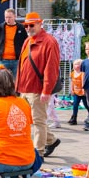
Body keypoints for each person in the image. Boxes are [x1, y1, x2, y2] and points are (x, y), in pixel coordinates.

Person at [16, 12, 61, 158]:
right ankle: (51, 140)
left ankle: (38, 153)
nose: (28, 28)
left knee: (38, 122)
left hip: (37, 89)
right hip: (25, 88)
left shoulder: (49, 41)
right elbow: (21, 66)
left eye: (32, 25)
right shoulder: (27, 41)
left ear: (40, 24)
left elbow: (51, 68)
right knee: (30, 120)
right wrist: (18, 87)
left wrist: (46, 90)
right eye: (26, 25)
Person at [0, 8, 28, 78]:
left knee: (16, 82)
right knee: (1, 81)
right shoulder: (0, 27)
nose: (8, 19)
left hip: (16, 60)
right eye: (6, 17)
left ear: (15, 16)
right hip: (3, 60)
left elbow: (26, 41)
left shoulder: (21, 28)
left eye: (10, 17)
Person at [68, 59, 89, 125]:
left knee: (86, 104)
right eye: (75, 64)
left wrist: (84, 90)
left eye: (78, 64)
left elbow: (84, 82)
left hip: (83, 92)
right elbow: (72, 82)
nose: (77, 65)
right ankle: (74, 118)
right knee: (75, 105)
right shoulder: (72, 73)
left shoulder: (83, 73)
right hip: (76, 92)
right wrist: (71, 90)